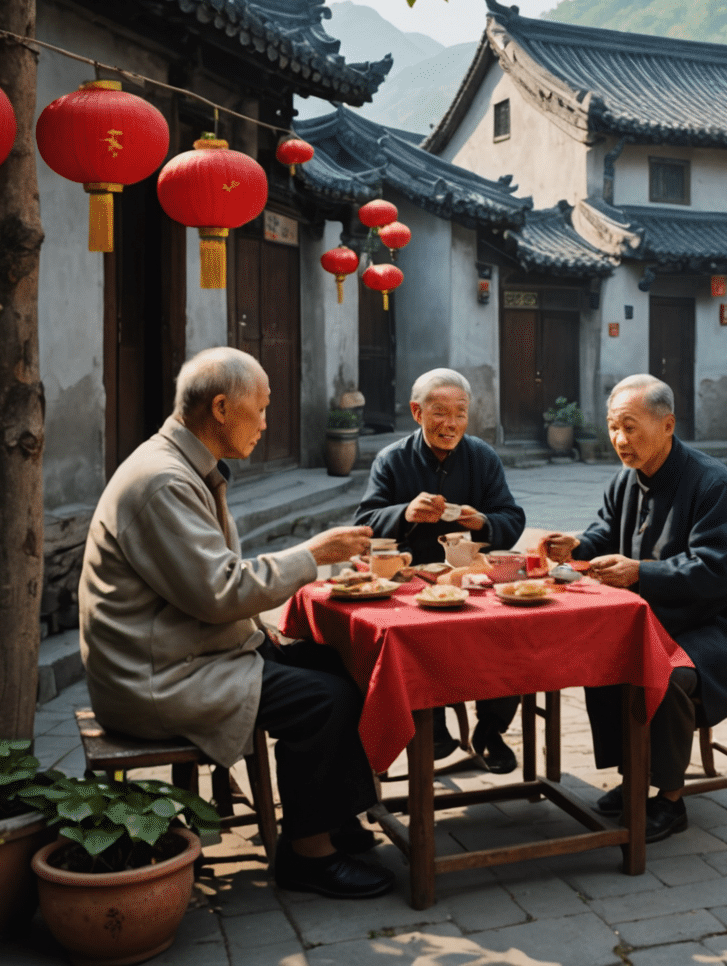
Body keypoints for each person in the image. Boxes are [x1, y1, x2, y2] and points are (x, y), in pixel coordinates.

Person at [80, 348, 391, 898]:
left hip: (189, 652)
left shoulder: (182, 465)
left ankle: (334, 815)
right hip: (156, 676)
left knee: (339, 660)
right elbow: (220, 590)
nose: (267, 423)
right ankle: (307, 857)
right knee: (324, 700)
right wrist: (313, 555)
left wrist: (261, 631)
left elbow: (207, 588)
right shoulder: (163, 481)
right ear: (222, 407)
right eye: (262, 408)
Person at [539, 374, 727, 844]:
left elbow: (715, 571)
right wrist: (576, 544)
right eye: (613, 427)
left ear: (667, 426)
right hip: (656, 617)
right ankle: (633, 772)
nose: (620, 439)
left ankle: (670, 798)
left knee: (665, 671)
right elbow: (605, 531)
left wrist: (641, 573)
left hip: (717, 627)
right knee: (601, 653)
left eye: (631, 427)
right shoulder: (627, 480)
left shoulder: (710, 483)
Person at [355, 368, 527, 772]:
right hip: (409, 585)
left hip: (471, 582)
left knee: (510, 636)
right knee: (410, 645)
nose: (450, 424)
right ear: (417, 412)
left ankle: (490, 730)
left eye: (460, 413)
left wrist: (482, 522)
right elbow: (364, 521)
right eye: (439, 412)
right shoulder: (393, 459)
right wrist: (404, 513)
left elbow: (512, 518)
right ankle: (433, 730)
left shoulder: (481, 457)